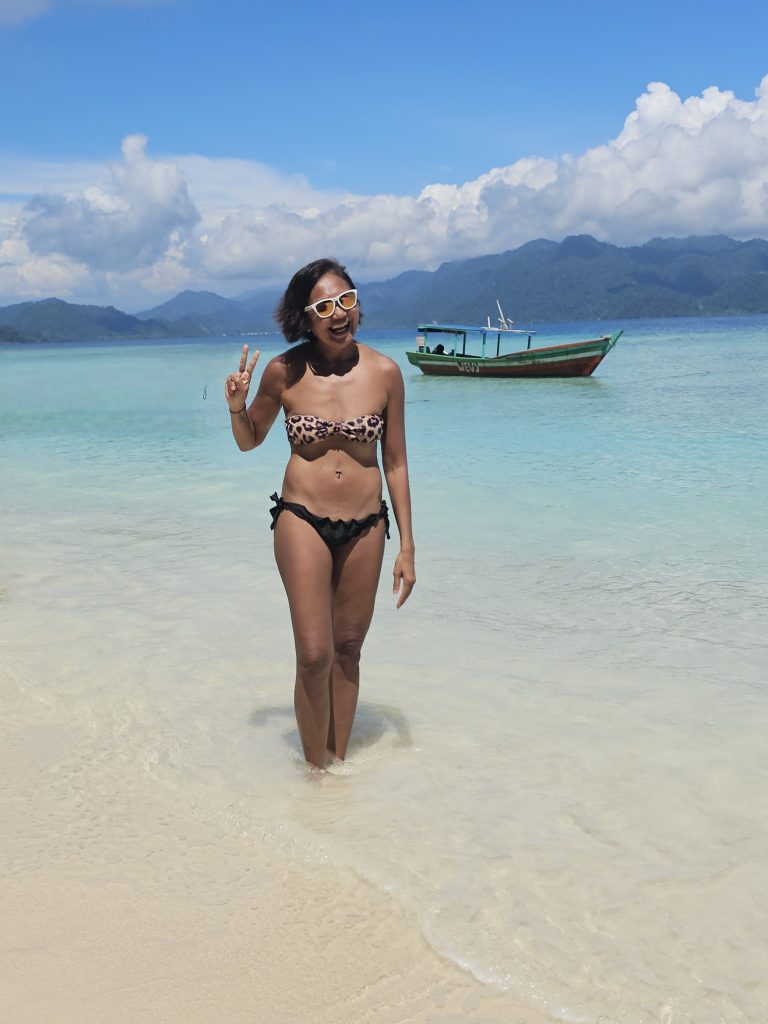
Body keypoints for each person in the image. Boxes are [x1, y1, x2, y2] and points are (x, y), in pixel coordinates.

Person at [225, 258, 416, 770]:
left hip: (367, 525)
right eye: (325, 306)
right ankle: (313, 775)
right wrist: (237, 407)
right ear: (305, 317)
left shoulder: (385, 373)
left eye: (346, 301)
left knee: (348, 648)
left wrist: (407, 546)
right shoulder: (283, 372)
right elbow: (249, 441)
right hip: (302, 518)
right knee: (315, 653)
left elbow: (396, 462)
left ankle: (338, 770)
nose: (339, 314)